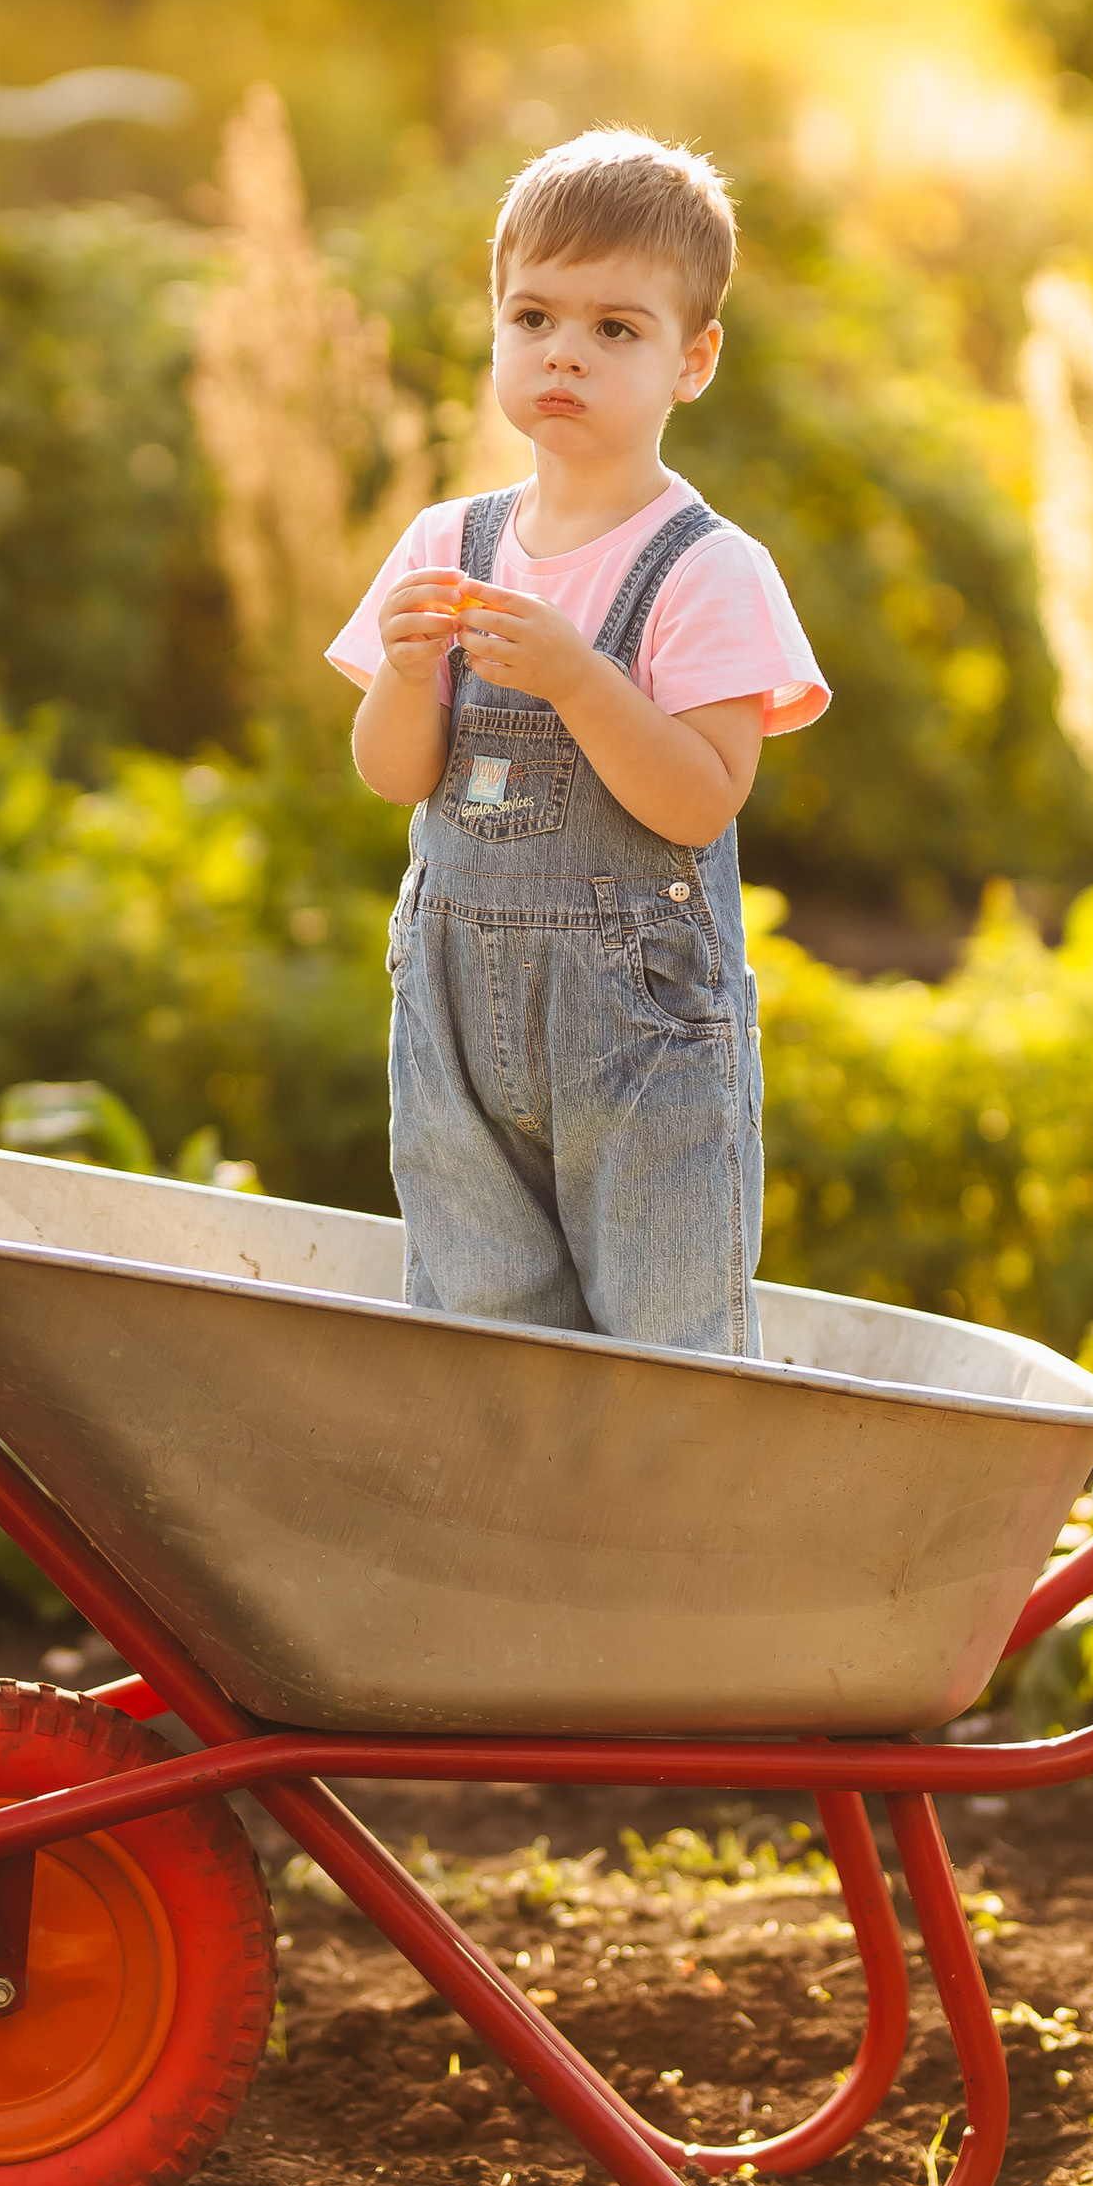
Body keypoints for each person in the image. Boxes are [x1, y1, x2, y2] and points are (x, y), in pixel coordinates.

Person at [327, 129, 827, 1357]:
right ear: (496, 329)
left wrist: (578, 678)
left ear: (691, 362)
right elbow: (396, 774)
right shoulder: (447, 543)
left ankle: (660, 1541)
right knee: (482, 1319)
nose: (565, 352)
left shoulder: (707, 569)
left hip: (638, 1044)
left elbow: (702, 800)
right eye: (534, 316)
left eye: (617, 329)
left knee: (666, 1327)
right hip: (452, 1023)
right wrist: (403, 672)